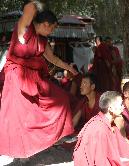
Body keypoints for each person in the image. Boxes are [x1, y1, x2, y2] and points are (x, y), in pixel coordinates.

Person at [0, 1, 78, 158]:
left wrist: (69, 68)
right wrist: (38, 5)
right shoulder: (24, 30)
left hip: (35, 79)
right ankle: (20, 153)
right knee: (20, 116)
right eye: (53, 27)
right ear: (46, 24)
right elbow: (30, 8)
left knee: (61, 98)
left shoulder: (42, 40)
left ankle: (57, 136)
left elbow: (53, 59)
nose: (53, 31)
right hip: (16, 78)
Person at [73, 91, 129, 166]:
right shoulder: (99, 128)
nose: (123, 107)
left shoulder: (109, 124)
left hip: (108, 159)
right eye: (121, 104)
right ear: (110, 109)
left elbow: (122, 148)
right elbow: (101, 161)